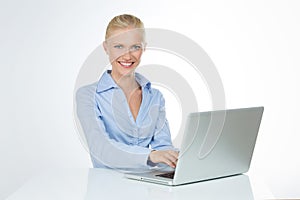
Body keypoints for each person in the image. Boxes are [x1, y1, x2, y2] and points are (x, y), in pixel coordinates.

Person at [76, 14, 178, 171]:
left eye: (135, 47)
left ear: (143, 48)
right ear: (106, 47)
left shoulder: (155, 97)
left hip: (148, 188)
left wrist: (182, 159)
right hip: (108, 189)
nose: (127, 55)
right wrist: (150, 156)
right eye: (118, 46)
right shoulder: (88, 95)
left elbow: (163, 148)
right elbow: (101, 149)